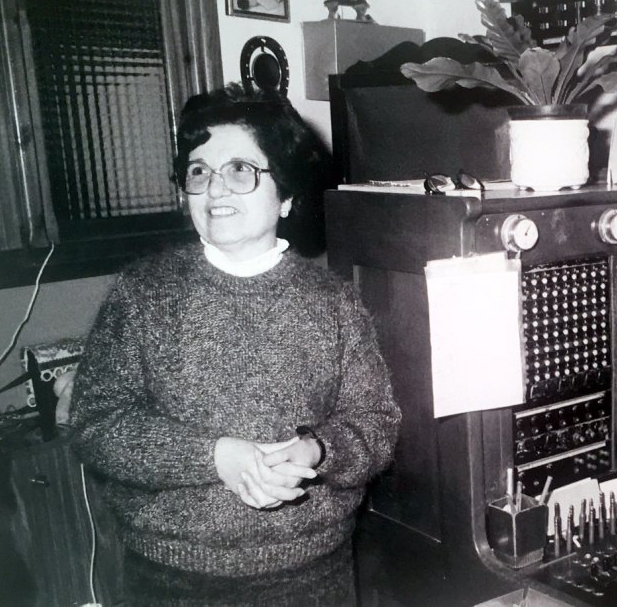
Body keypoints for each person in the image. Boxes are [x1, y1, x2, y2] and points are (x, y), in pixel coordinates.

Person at [70, 83, 401, 606]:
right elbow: (97, 425)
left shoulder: (332, 301)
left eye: (240, 170)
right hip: (172, 580)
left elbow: (376, 423)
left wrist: (315, 450)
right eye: (199, 172)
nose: (215, 190)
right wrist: (214, 457)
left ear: (287, 194)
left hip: (314, 577)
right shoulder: (143, 295)